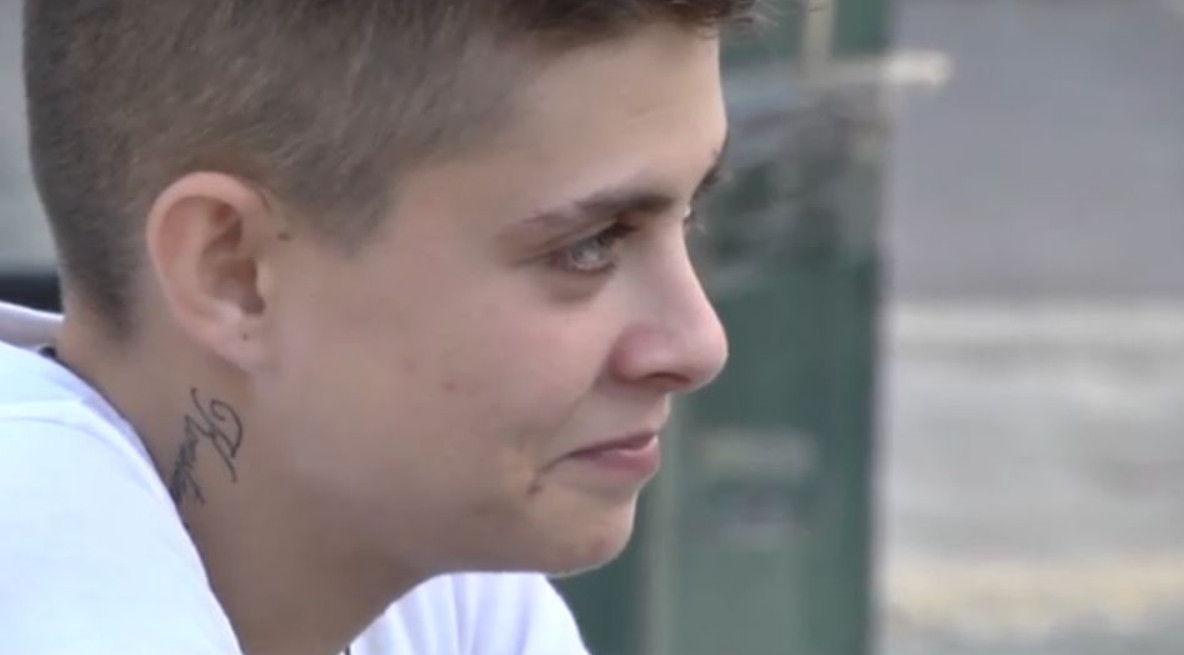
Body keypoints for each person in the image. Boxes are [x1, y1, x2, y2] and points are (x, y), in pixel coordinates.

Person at [0, 1, 751, 653]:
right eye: (589, 245)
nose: (699, 344)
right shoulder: (38, 545)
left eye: (690, 216)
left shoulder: (439, 573)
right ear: (234, 271)